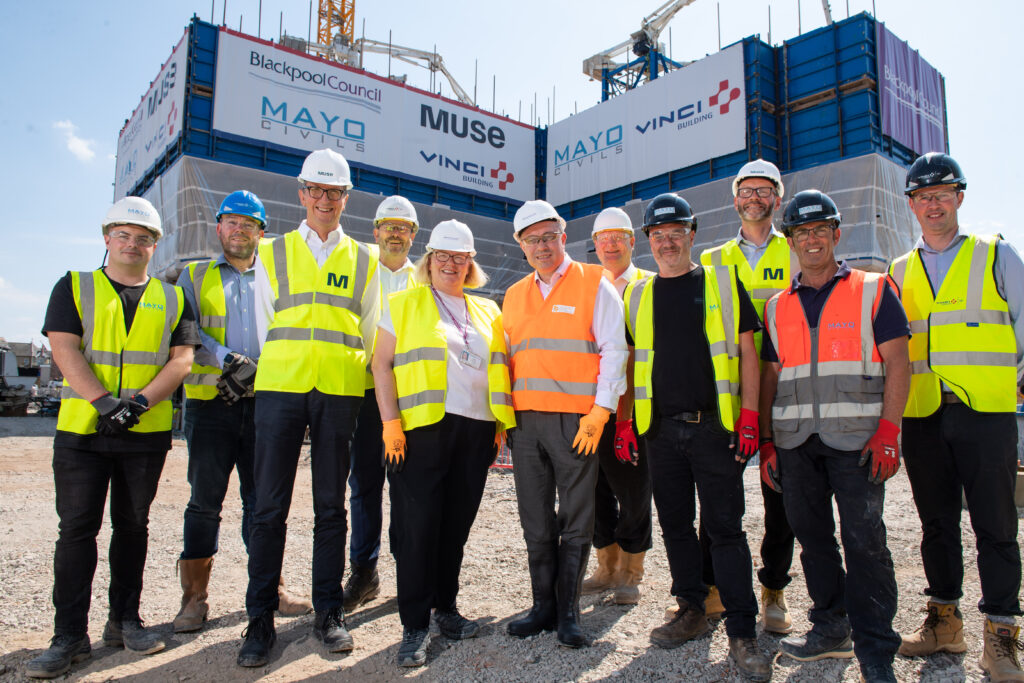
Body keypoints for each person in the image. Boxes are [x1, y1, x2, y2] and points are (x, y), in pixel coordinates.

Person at [28, 198, 198, 679]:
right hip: (83, 432)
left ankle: (125, 621)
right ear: (107, 238)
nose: (133, 244)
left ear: (155, 245)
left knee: (133, 528)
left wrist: (138, 404)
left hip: (143, 433)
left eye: (143, 237)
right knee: (78, 530)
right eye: (123, 235)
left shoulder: (171, 296)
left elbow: (182, 359)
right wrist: (104, 402)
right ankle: (68, 637)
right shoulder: (74, 286)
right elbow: (63, 348)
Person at [237, 148, 381, 667]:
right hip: (280, 390)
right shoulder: (271, 253)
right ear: (302, 194)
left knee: (330, 507)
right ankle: (260, 620)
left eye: (335, 192)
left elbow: (367, 328)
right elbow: (262, 323)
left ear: (346, 198)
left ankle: (328, 613)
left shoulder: (364, 259)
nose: (325, 200)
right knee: (269, 506)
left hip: (339, 391)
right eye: (316, 191)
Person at [760, 190, 910, 683]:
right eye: (801, 233)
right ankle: (831, 627)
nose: (811, 240)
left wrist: (889, 431)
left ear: (835, 234)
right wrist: (766, 442)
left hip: (858, 440)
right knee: (812, 539)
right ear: (791, 242)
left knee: (865, 539)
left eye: (820, 230)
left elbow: (897, 363)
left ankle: (875, 645)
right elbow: (770, 376)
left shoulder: (874, 288)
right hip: (796, 441)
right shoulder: (777, 306)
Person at [624, 193, 772, 681]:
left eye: (675, 233)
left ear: (692, 233)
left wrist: (750, 415)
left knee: (725, 529)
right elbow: (632, 362)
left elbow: (749, 354)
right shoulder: (638, 295)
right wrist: (627, 421)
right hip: (660, 431)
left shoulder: (724, 282)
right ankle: (691, 607)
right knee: (676, 526)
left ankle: (742, 629)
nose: (667, 242)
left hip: (715, 427)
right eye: (658, 235)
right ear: (648, 241)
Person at [889, 153, 1024, 681]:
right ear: (911, 205)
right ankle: (945, 620)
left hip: (986, 412)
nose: (933, 204)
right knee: (936, 524)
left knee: (995, 525)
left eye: (942, 194)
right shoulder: (900, 271)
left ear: (959, 197)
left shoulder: (996, 255)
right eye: (923, 196)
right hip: (924, 413)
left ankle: (1002, 633)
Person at [371, 219, 515, 666]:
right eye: (443, 256)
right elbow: (381, 365)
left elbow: (498, 371)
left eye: (461, 257)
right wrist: (390, 423)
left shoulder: (489, 311)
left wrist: (500, 425)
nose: (452, 264)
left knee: (455, 525)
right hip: (420, 431)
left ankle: (446, 609)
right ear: (429, 260)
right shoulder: (404, 303)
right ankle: (414, 624)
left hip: (475, 431)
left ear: (471, 264)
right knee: (418, 529)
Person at [172, 191, 311, 635]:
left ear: (261, 233)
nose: (239, 230)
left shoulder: (277, 278)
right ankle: (194, 599)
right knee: (204, 503)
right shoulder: (192, 276)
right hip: (211, 405)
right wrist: (229, 360)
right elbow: (187, 332)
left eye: (249, 224)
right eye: (231, 222)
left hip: (265, 403)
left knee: (264, 502)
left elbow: (290, 330)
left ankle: (272, 587)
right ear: (219, 228)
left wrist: (257, 370)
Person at [502, 199, 627, 648]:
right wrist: (502, 418)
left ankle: (569, 613)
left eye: (549, 236)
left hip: (577, 423)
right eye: (532, 239)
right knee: (534, 518)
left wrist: (601, 411)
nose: (542, 246)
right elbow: (506, 361)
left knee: (576, 517)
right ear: (520, 245)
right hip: (526, 425)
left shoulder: (596, 283)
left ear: (563, 236)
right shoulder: (514, 295)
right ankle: (543, 606)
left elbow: (615, 349)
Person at [697, 159, 797, 632]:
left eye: (764, 191)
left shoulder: (800, 249)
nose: (754, 198)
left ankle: (773, 589)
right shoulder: (713, 259)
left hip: (788, 387)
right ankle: (713, 585)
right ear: (734, 198)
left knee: (782, 498)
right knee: (718, 498)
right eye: (746, 190)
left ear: (777, 197)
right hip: (728, 392)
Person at [344, 195, 423, 613]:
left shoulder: (423, 281)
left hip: (408, 398)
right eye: (388, 226)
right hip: (363, 396)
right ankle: (364, 571)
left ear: (413, 236)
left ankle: (409, 569)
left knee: (408, 488)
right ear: (375, 232)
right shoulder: (357, 273)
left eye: (403, 227)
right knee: (365, 485)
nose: (395, 233)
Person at [580, 207, 655, 606]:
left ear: (632, 241)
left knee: (634, 491)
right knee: (594, 490)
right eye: (602, 238)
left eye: (617, 237)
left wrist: (630, 415)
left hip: (633, 410)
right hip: (594, 407)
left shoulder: (650, 285)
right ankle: (605, 566)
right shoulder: (587, 285)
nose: (610, 245)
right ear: (594, 245)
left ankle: (630, 571)